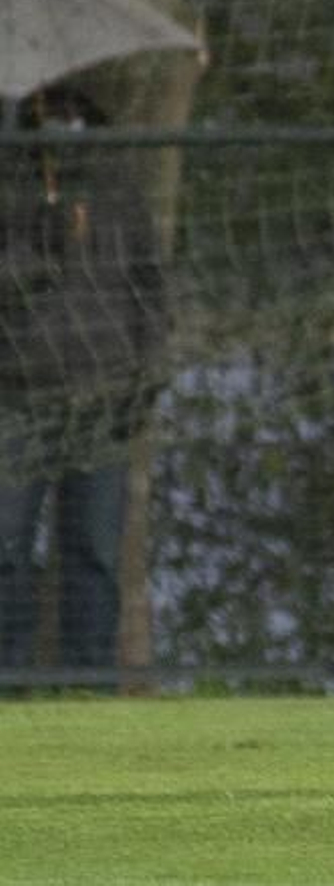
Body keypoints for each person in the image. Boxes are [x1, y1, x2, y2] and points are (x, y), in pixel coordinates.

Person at [0, 87, 164, 671]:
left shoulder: (117, 188)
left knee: (94, 555)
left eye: (71, 112)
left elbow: (150, 290)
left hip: (105, 399)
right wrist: (46, 241)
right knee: (6, 549)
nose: (60, 124)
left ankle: (89, 682)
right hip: (18, 397)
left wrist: (145, 380)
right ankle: (10, 684)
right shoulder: (12, 184)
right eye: (48, 113)